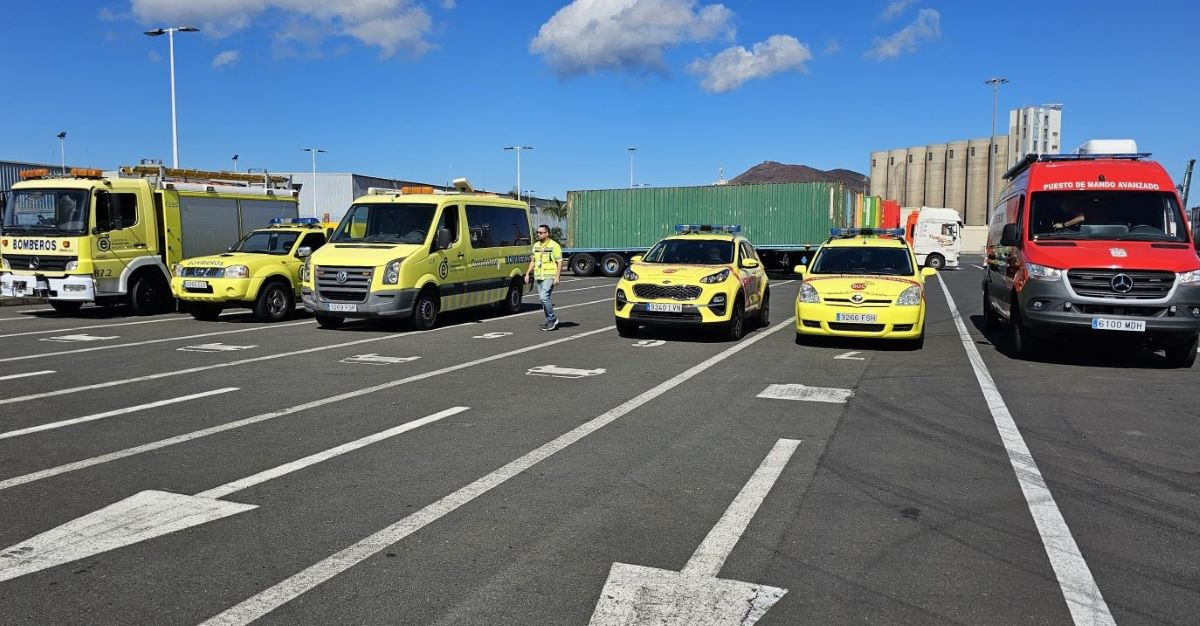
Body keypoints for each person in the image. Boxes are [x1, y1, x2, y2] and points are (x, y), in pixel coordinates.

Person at [526, 225, 562, 331]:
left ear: (547, 233)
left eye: (541, 233)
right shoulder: (536, 245)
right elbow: (533, 260)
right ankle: (549, 321)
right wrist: (528, 273)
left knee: (544, 297)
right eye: (538, 232)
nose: (538, 234)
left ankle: (552, 319)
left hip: (549, 276)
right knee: (543, 300)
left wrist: (557, 277)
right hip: (539, 276)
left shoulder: (554, 245)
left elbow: (559, 262)